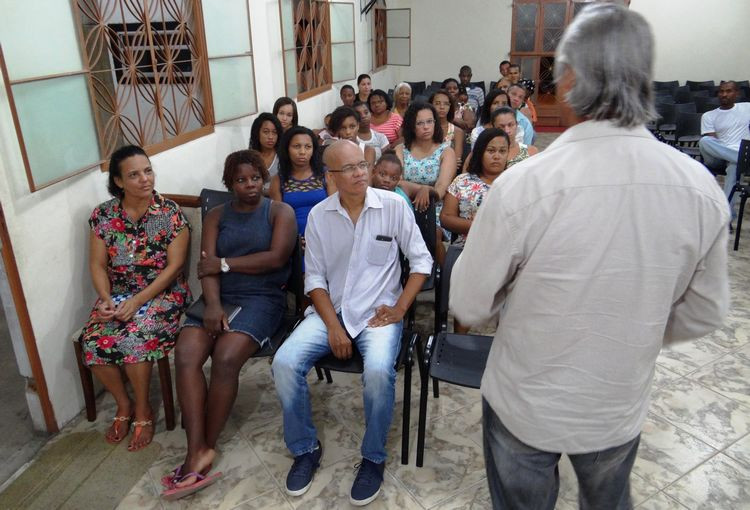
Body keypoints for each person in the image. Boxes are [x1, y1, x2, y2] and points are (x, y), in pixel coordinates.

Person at [450, 5, 729, 509]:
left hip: (526, 399)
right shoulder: (700, 189)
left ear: (571, 76)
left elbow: (468, 305)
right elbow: (705, 312)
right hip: (616, 401)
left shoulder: (523, 185)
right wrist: (631, 326)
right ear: (643, 79)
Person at [271, 140, 432, 506]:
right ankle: (304, 448)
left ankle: (374, 457)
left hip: (379, 314)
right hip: (333, 311)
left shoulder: (392, 206)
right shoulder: (320, 216)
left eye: (363, 164)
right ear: (331, 176)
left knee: (377, 370)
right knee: (284, 362)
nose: (360, 173)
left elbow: (422, 262)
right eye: (350, 168)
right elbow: (314, 280)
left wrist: (401, 309)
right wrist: (333, 326)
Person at [164, 150, 297, 498]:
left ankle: (201, 449)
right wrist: (210, 304)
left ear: (263, 179)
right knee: (187, 353)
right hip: (220, 294)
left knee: (224, 357)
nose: (249, 185)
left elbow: (276, 258)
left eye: (255, 178)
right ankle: (198, 449)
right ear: (230, 183)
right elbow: (206, 266)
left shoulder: (279, 211)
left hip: (263, 297)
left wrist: (225, 264)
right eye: (241, 180)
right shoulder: (217, 215)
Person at [79, 145, 190, 451]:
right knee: (93, 340)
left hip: (163, 294)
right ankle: (123, 404)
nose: (145, 179)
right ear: (118, 181)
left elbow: (175, 266)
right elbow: (97, 265)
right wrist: (106, 299)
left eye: (148, 170)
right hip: (118, 293)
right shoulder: (103, 216)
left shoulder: (168, 213)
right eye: (134, 174)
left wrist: (139, 301)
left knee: (134, 337)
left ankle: (143, 409)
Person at [441, 129, 510, 334]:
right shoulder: (462, 182)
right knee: (470, 276)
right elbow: (446, 218)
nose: (497, 156)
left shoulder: (515, 182)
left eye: (502, 151)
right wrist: (479, 226)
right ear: (480, 152)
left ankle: (503, 338)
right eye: (491, 150)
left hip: (505, 248)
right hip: (467, 248)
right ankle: (460, 339)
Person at [396, 102, 457, 265]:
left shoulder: (446, 151)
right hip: (405, 204)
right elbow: (397, 182)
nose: (426, 127)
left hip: (435, 206)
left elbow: (441, 188)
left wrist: (427, 192)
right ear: (411, 126)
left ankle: (442, 278)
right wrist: (422, 188)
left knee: (434, 232)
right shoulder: (401, 150)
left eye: (430, 121)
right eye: (420, 123)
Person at [269, 126, 335, 239]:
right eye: (296, 146)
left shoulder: (325, 175)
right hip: (293, 240)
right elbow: (278, 220)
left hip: (325, 235)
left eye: (308, 147)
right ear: (287, 149)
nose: (302, 152)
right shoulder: (278, 180)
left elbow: (335, 210)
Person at [699, 80, 750, 218]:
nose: (724, 94)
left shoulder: (747, 108)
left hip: (737, 157)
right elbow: (713, 141)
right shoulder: (709, 115)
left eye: (728, 91)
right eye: (721, 91)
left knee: (734, 167)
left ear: (737, 93)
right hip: (717, 158)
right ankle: (742, 159)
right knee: (705, 141)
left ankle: (727, 215)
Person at [430, 89, 465, 170]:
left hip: (449, 173)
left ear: (450, 107)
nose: (442, 107)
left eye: (446, 104)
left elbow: (456, 162)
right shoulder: (426, 128)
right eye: (437, 103)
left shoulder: (457, 131)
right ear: (431, 105)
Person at [249, 113, 283, 191]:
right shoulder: (249, 158)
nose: (271, 137)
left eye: (274, 132)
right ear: (257, 133)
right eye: (266, 132)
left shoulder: (283, 156)